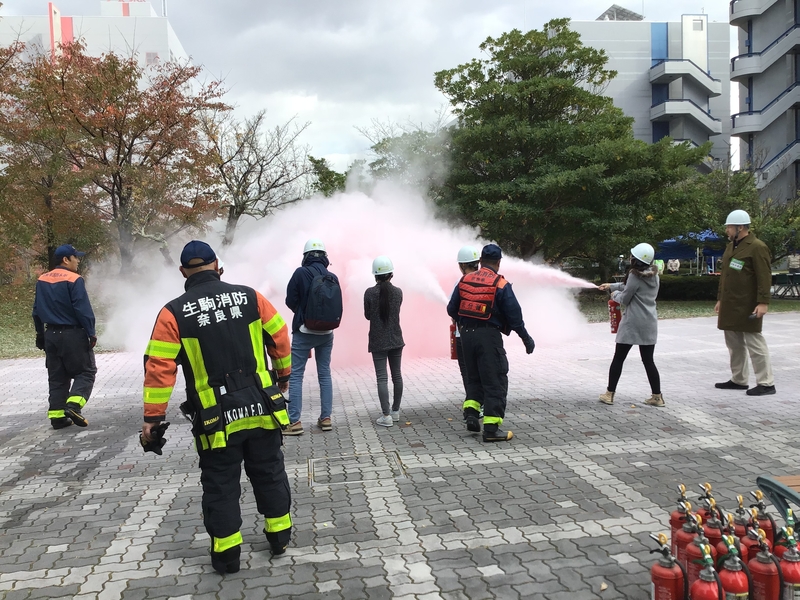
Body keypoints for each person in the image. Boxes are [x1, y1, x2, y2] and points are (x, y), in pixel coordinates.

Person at [141, 240, 293, 575]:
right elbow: (280, 336)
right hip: (262, 408)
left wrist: (153, 419)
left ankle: (227, 557)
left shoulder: (172, 313)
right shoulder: (250, 298)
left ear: (183, 272)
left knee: (221, 484)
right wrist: (282, 378)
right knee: (269, 472)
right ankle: (280, 537)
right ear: (217, 266)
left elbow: (159, 367)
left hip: (216, 420)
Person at [447, 244, 535, 443]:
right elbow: (514, 316)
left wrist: (465, 322)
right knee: (495, 380)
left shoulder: (464, 280)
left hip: (466, 336)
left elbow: (452, 309)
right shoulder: (500, 284)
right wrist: (526, 338)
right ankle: (491, 429)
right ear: (498, 262)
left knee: (474, 377)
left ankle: (471, 414)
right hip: (488, 337)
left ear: (480, 261)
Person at [32, 244, 97, 429]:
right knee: (86, 371)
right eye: (75, 257)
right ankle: (74, 406)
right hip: (73, 334)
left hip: (50, 334)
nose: (78, 260)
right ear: (66, 260)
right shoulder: (74, 279)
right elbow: (82, 309)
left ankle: (57, 417)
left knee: (57, 376)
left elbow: (36, 311)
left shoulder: (42, 279)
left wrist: (40, 334)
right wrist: (91, 332)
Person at [714, 210, 776, 396]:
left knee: (755, 343)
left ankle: (766, 383)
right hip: (730, 303)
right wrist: (720, 299)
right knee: (734, 344)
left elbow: (764, 277)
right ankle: (739, 379)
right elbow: (725, 275)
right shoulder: (730, 247)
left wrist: (763, 302)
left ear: (740, 227)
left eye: (729, 226)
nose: (726, 230)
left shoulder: (757, 247)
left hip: (748, 304)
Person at [597, 243, 663, 407]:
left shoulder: (634, 276)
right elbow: (631, 287)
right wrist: (611, 285)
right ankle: (657, 397)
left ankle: (609, 394)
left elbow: (625, 298)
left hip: (632, 323)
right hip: (649, 323)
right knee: (648, 361)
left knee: (618, 358)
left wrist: (614, 293)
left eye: (632, 256)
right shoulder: (654, 275)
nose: (630, 258)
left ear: (636, 260)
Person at [284, 238, 339, 435]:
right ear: (324, 256)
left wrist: (302, 313)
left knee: (297, 376)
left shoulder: (300, 273)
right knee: (324, 374)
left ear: (306, 256)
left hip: (304, 331)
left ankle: (295, 422)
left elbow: (290, 300)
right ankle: (326, 418)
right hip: (327, 332)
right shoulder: (332, 275)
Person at [364, 256, 404, 427]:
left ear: (375, 275)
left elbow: (367, 315)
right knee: (397, 375)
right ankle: (395, 411)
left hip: (378, 341)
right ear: (391, 274)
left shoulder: (369, 293)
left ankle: (386, 415)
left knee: (382, 378)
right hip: (396, 338)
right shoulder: (398, 292)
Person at [453, 245, 481, 419]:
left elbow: (451, 308)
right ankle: (481, 405)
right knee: (482, 370)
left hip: (462, 336)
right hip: (483, 335)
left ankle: (473, 406)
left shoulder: (460, 283)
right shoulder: (487, 281)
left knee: (467, 372)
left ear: (462, 265)